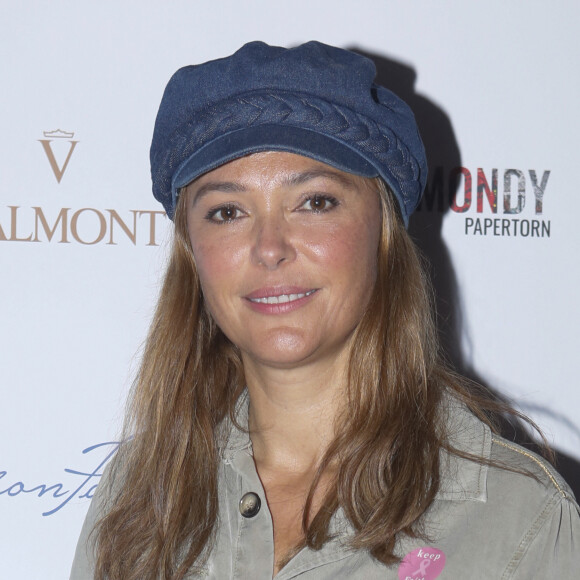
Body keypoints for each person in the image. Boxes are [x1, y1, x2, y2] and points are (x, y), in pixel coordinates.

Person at [70, 41, 579, 580]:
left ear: (382, 232)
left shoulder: (518, 519)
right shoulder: (137, 499)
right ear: (191, 252)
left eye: (315, 202)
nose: (270, 247)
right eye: (227, 211)